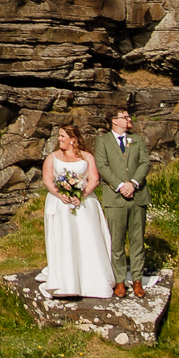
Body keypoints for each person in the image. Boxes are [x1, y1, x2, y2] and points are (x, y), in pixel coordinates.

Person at [37, 124, 115, 299]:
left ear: (73, 139)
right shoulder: (53, 157)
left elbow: (94, 179)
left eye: (63, 136)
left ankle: (92, 279)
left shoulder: (87, 157)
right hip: (60, 205)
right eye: (59, 136)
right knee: (65, 238)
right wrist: (59, 194)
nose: (59, 139)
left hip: (84, 204)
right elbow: (48, 179)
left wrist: (82, 194)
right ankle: (66, 281)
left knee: (88, 237)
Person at [93, 108, 151, 296]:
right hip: (115, 197)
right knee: (116, 242)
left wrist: (133, 183)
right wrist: (120, 185)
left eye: (128, 116)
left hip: (138, 196)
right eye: (125, 117)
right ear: (114, 121)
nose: (129, 119)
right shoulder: (102, 141)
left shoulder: (138, 140)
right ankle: (119, 280)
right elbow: (102, 166)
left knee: (137, 240)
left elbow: (145, 163)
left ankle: (137, 280)